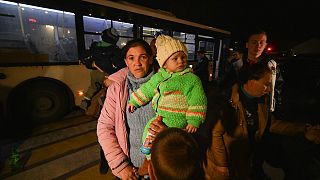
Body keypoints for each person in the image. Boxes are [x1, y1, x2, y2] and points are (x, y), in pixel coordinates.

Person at [203, 62, 320, 180]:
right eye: (266, 84)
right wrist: (221, 164)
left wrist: (304, 129)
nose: (269, 90)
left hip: (244, 161)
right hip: (224, 165)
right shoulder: (227, 100)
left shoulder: (261, 101)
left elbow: (272, 124)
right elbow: (215, 134)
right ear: (251, 81)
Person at [127, 34, 207, 150]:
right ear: (164, 63)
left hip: (178, 119)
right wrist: (135, 101)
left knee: (167, 142)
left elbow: (198, 100)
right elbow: (148, 88)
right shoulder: (160, 76)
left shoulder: (191, 79)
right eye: (175, 58)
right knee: (149, 129)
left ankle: (155, 154)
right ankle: (148, 152)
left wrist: (194, 120)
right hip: (161, 116)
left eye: (183, 57)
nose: (180, 61)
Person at [97, 38, 156, 179]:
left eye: (143, 57)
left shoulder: (165, 85)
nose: (137, 63)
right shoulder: (117, 88)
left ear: (151, 59)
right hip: (129, 170)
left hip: (158, 167)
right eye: (131, 58)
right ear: (126, 62)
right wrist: (121, 165)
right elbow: (104, 127)